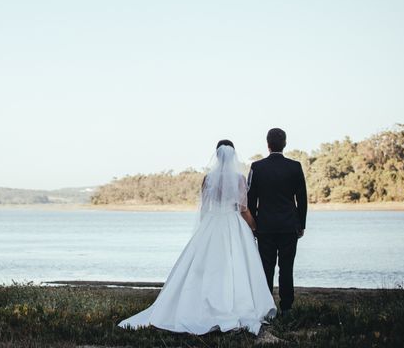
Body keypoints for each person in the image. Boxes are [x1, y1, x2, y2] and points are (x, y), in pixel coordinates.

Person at [118, 140, 276, 335]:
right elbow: (243, 208)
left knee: (207, 267)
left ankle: (202, 302)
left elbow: (204, 207)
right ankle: (235, 303)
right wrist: (254, 226)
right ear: (233, 156)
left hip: (212, 223)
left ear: (216, 156)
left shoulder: (208, 179)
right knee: (235, 265)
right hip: (233, 224)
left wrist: (205, 228)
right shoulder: (239, 179)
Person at [247, 128, 307, 315]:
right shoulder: (295, 166)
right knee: (286, 267)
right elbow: (302, 199)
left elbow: (251, 200)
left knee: (266, 267)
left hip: (265, 226)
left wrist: (254, 225)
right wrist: (301, 224)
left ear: (268, 144)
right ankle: (287, 307)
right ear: (285, 143)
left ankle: (266, 307)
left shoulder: (257, 167)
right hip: (289, 226)